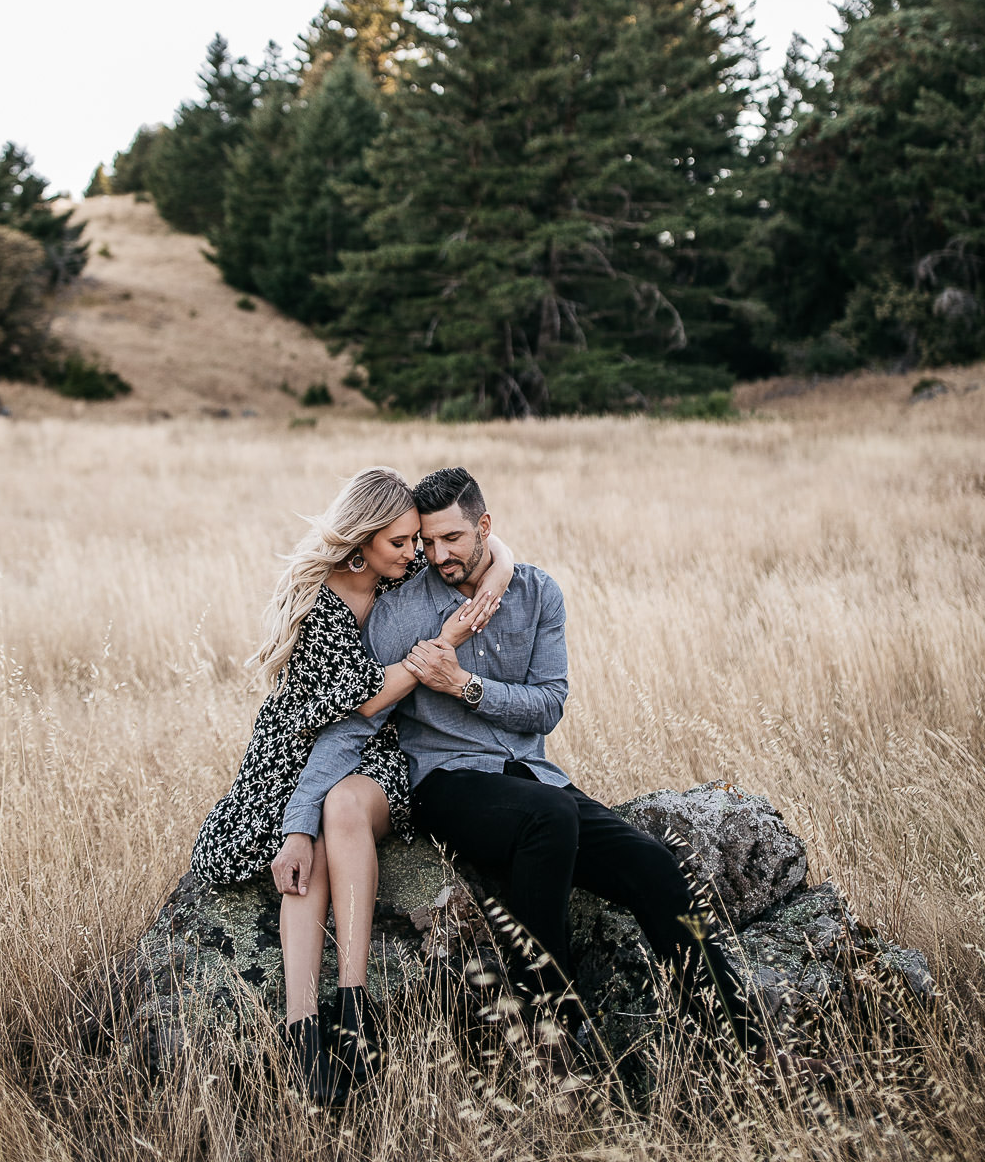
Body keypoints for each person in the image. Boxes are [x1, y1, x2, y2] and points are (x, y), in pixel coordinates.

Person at [280, 464, 757, 1067]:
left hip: (534, 777)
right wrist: (301, 821)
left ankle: (740, 1040)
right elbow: (355, 724)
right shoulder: (399, 612)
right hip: (447, 781)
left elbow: (548, 706)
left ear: (485, 527)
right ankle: (550, 1022)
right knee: (548, 819)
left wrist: (466, 686)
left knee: (655, 867)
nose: (437, 553)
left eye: (451, 538)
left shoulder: (536, 594)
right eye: (427, 541)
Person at [190, 465, 514, 1103]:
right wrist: (442, 642)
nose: (416, 554)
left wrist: (498, 573)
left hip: (370, 752)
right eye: (399, 543)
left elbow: (490, 544)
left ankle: (351, 1012)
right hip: (301, 748)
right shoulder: (321, 608)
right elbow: (362, 705)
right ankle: (304, 1030)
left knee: (335, 811)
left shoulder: (402, 573)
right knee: (296, 845)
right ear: (361, 542)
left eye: (415, 542)